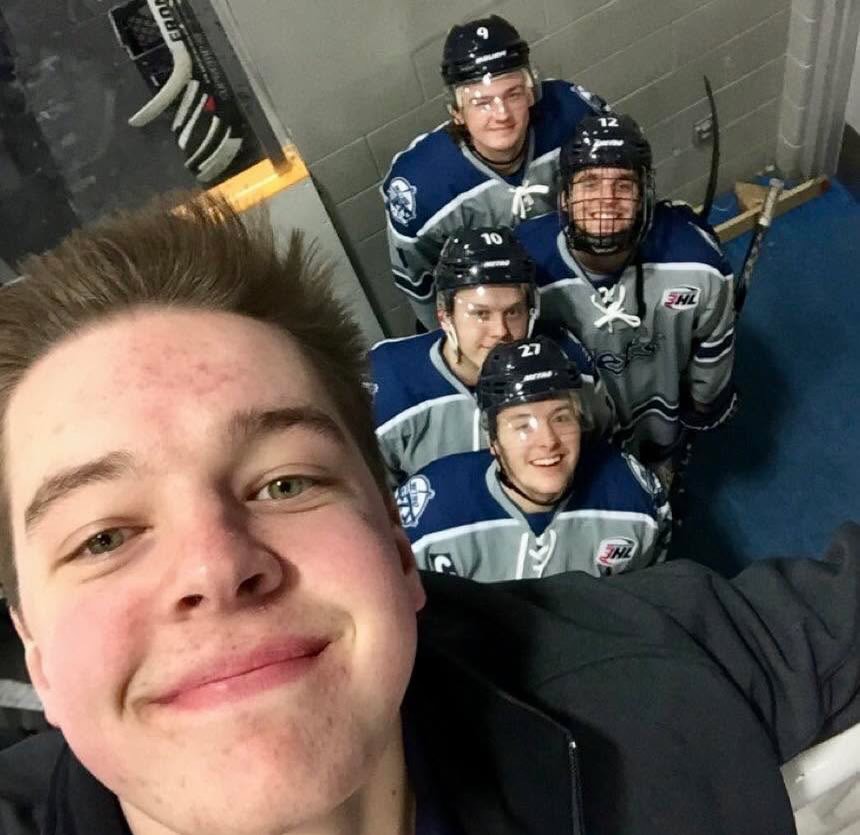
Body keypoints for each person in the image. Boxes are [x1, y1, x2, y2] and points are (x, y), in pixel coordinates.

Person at [0, 193, 858, 835]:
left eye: (284, 483)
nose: (214, 565)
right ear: (35, 651)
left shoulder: (654, 668)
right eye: (104, 536)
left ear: (398, 543)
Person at [516, 113, 737, 468]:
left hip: (659, 417)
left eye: (623, 185)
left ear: (643, 195)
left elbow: (713, 350)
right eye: (589, 183)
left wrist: (705, 402)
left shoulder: (699, 263)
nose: (607, 199)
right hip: (574, 434)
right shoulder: (524, 266)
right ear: (565, 196)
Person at [382, 14, 609, 329]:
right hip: (495, 318)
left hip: (583, 284)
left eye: (512, 95)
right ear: (457, 112)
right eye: (482, 102)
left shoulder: (574, 116)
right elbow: (423, 289)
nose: (501, 114)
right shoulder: (423, 185)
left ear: (531, 92)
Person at [397, 336, 669, 580]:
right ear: (493, 440)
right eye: (523, 425)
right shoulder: (431, 517)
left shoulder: (634, 499)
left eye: (561, 418)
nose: (548, 441)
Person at [370, 226, 614, 484]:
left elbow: (604, 458)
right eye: (481, 314)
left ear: (531, 311)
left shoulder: (568, 362)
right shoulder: (388, 384)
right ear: (445, 316)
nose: (501, 331)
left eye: (512, 312)